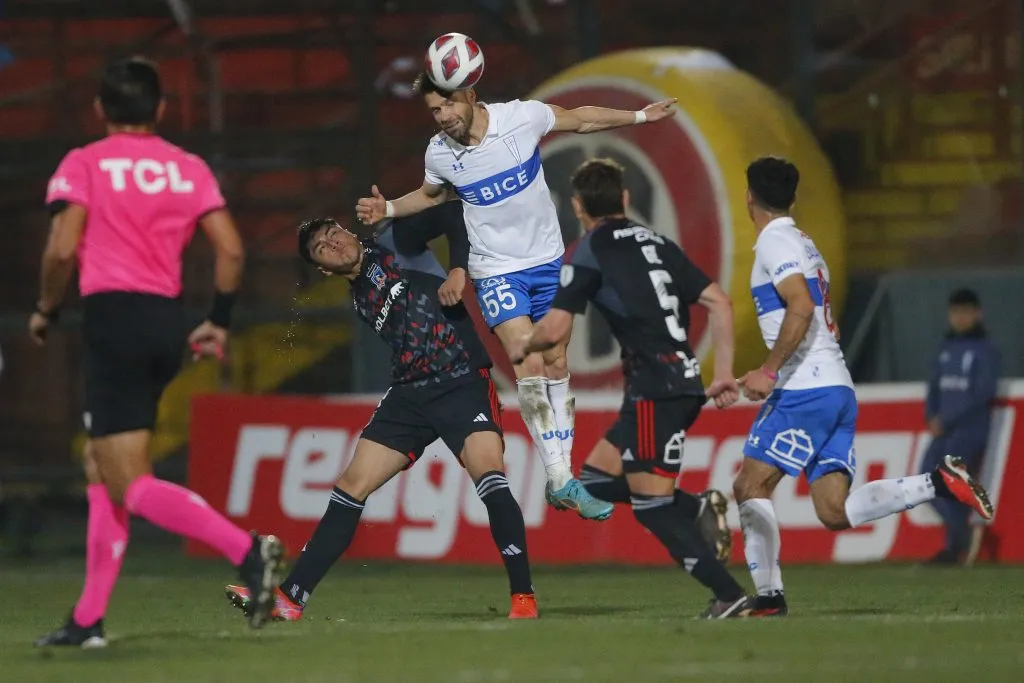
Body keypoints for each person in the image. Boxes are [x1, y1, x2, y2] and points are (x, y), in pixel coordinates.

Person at [31, 57, 284, 647]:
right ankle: (88, 619)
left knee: (130, 483)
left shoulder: (85, 162)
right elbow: (232, 250)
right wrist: (217, 321)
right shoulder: (186, 166)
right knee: (102, 467)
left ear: (100, 110)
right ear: (160, 110)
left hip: (113, 318)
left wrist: (46, 308)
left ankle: (246, 551)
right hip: (165, 323)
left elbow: (62, 249)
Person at [355, 71, 678, 520]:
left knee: (557, 361)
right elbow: (430, 196)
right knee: (528, 359)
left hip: (546, 261)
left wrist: (641, 116)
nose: (443, 116)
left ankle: (560, 479)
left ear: (470, 94)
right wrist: (388, 207)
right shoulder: (440, 153)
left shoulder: (520, 118)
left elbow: (580, 120)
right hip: (496, 271)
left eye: (448, 105)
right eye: (434, 110)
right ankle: (563, 478)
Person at [225, 202, 539, 620]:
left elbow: (452, 213)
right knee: (350, 485)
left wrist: (458, 269)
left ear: (349, 230)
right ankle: (290, 598)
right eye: (321, 247)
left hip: (460, 379)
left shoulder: (395, 241)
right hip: (409, 393)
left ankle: (523, 598)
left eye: (333, 232)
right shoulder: (359, 297)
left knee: (489, 473)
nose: (333, 243)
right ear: (322, 269)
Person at [732, 156, 995, 617]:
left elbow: (800, 308)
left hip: (805, 389)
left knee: (750, 484)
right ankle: (938, 481)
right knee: (834, 510)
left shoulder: (775, 242)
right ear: (793, 199)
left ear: (749, 197)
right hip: (836, 388)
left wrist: (770, 370)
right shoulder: (804, 243)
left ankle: (769, 598)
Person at [508, 159, 751, 618]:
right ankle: (695, 505)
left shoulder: (587, 250)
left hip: (654, 386)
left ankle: (729, 594)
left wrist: (524, 344)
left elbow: (556, 327)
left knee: (650, 506)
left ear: (577, 207)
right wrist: (724, 371)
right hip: (680, 378)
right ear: (624, 199)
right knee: (596, 482)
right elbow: (719, 302)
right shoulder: (657, 241)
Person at [923, 288, 1000, 565]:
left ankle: (954, 547)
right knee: (926, 482)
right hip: (942, 430)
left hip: (968, 431)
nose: (961, 318)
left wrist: (948, 419)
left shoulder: (986, 350)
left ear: (978, 314)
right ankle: (960, 539)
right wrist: (931, 415)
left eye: (966, 312)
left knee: (948, 484)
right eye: (956, 312)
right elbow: (933, 387)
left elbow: (981, 393)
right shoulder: (946, 349)